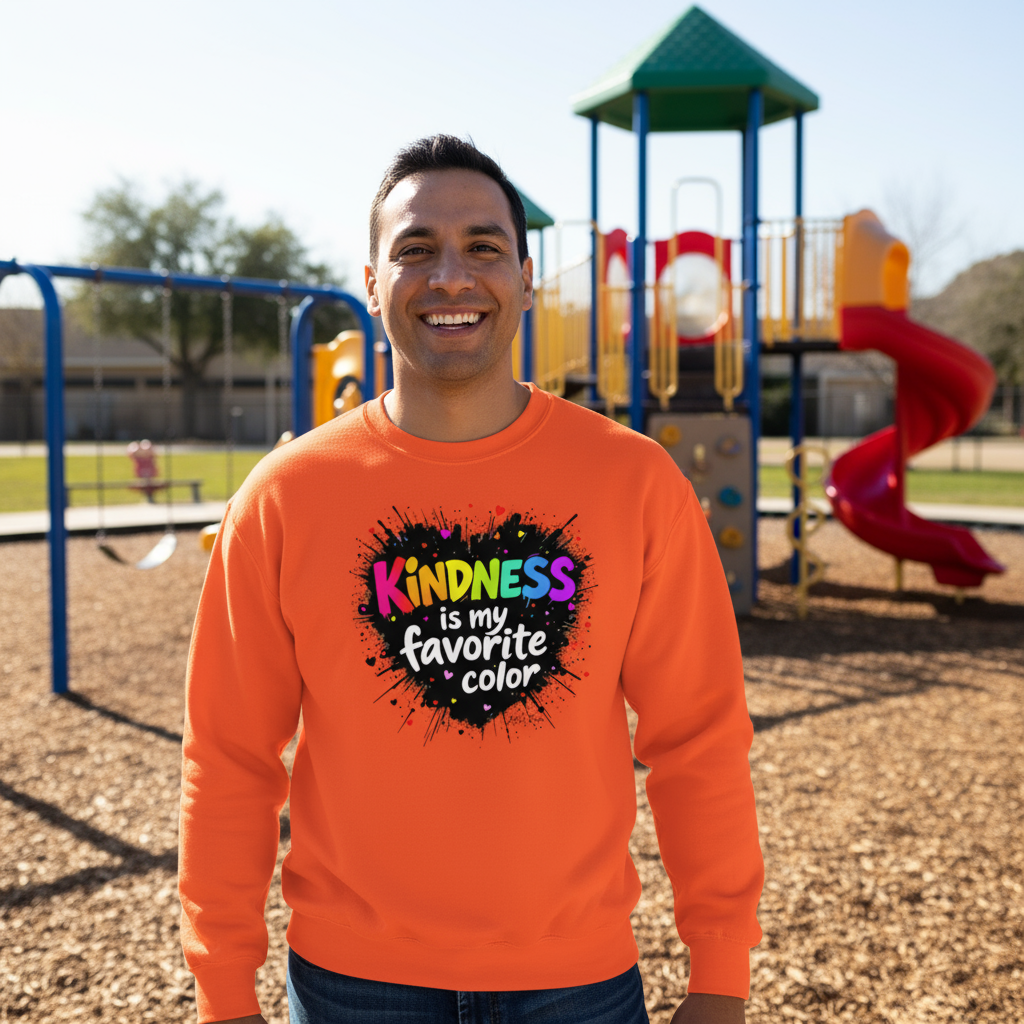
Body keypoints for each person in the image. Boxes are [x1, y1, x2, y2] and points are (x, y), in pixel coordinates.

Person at [179, 135, 763, 1024]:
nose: (451, 276)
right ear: (371, 282)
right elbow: (228, 757)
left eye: (484, 247)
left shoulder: (634, 482)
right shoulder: (285, 497)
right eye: (415, 249)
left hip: (577, 986)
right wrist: (223, 991)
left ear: (526, 279)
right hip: (350, 988)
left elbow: (700, 737)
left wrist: (720, 971)